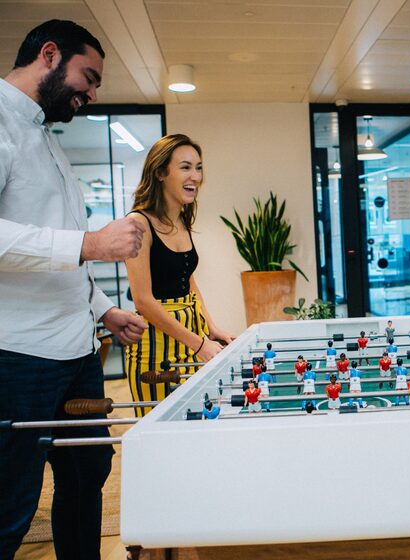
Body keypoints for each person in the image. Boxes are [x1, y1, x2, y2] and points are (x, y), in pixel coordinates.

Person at [0, 20, 148, 560]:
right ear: (49, 55)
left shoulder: (48, 141)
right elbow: (69, 245)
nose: (92, 91)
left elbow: (60, 254)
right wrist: (89, 242)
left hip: (78, 353)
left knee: (86, 482)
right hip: (18, 358)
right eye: (89, 77)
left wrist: (104, 309)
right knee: (12, 503)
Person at [124, 134, 235, 416]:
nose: (195, 176)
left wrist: (210, 328)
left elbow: (189, 282)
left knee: (194, 422)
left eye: (198, 167)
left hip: (191, 335)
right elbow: (143, 301)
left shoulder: (182, 219)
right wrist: (199, 344)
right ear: (160, 172)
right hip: (155, 346)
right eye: (185, 167)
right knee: (161, 431)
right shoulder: (138, 223)